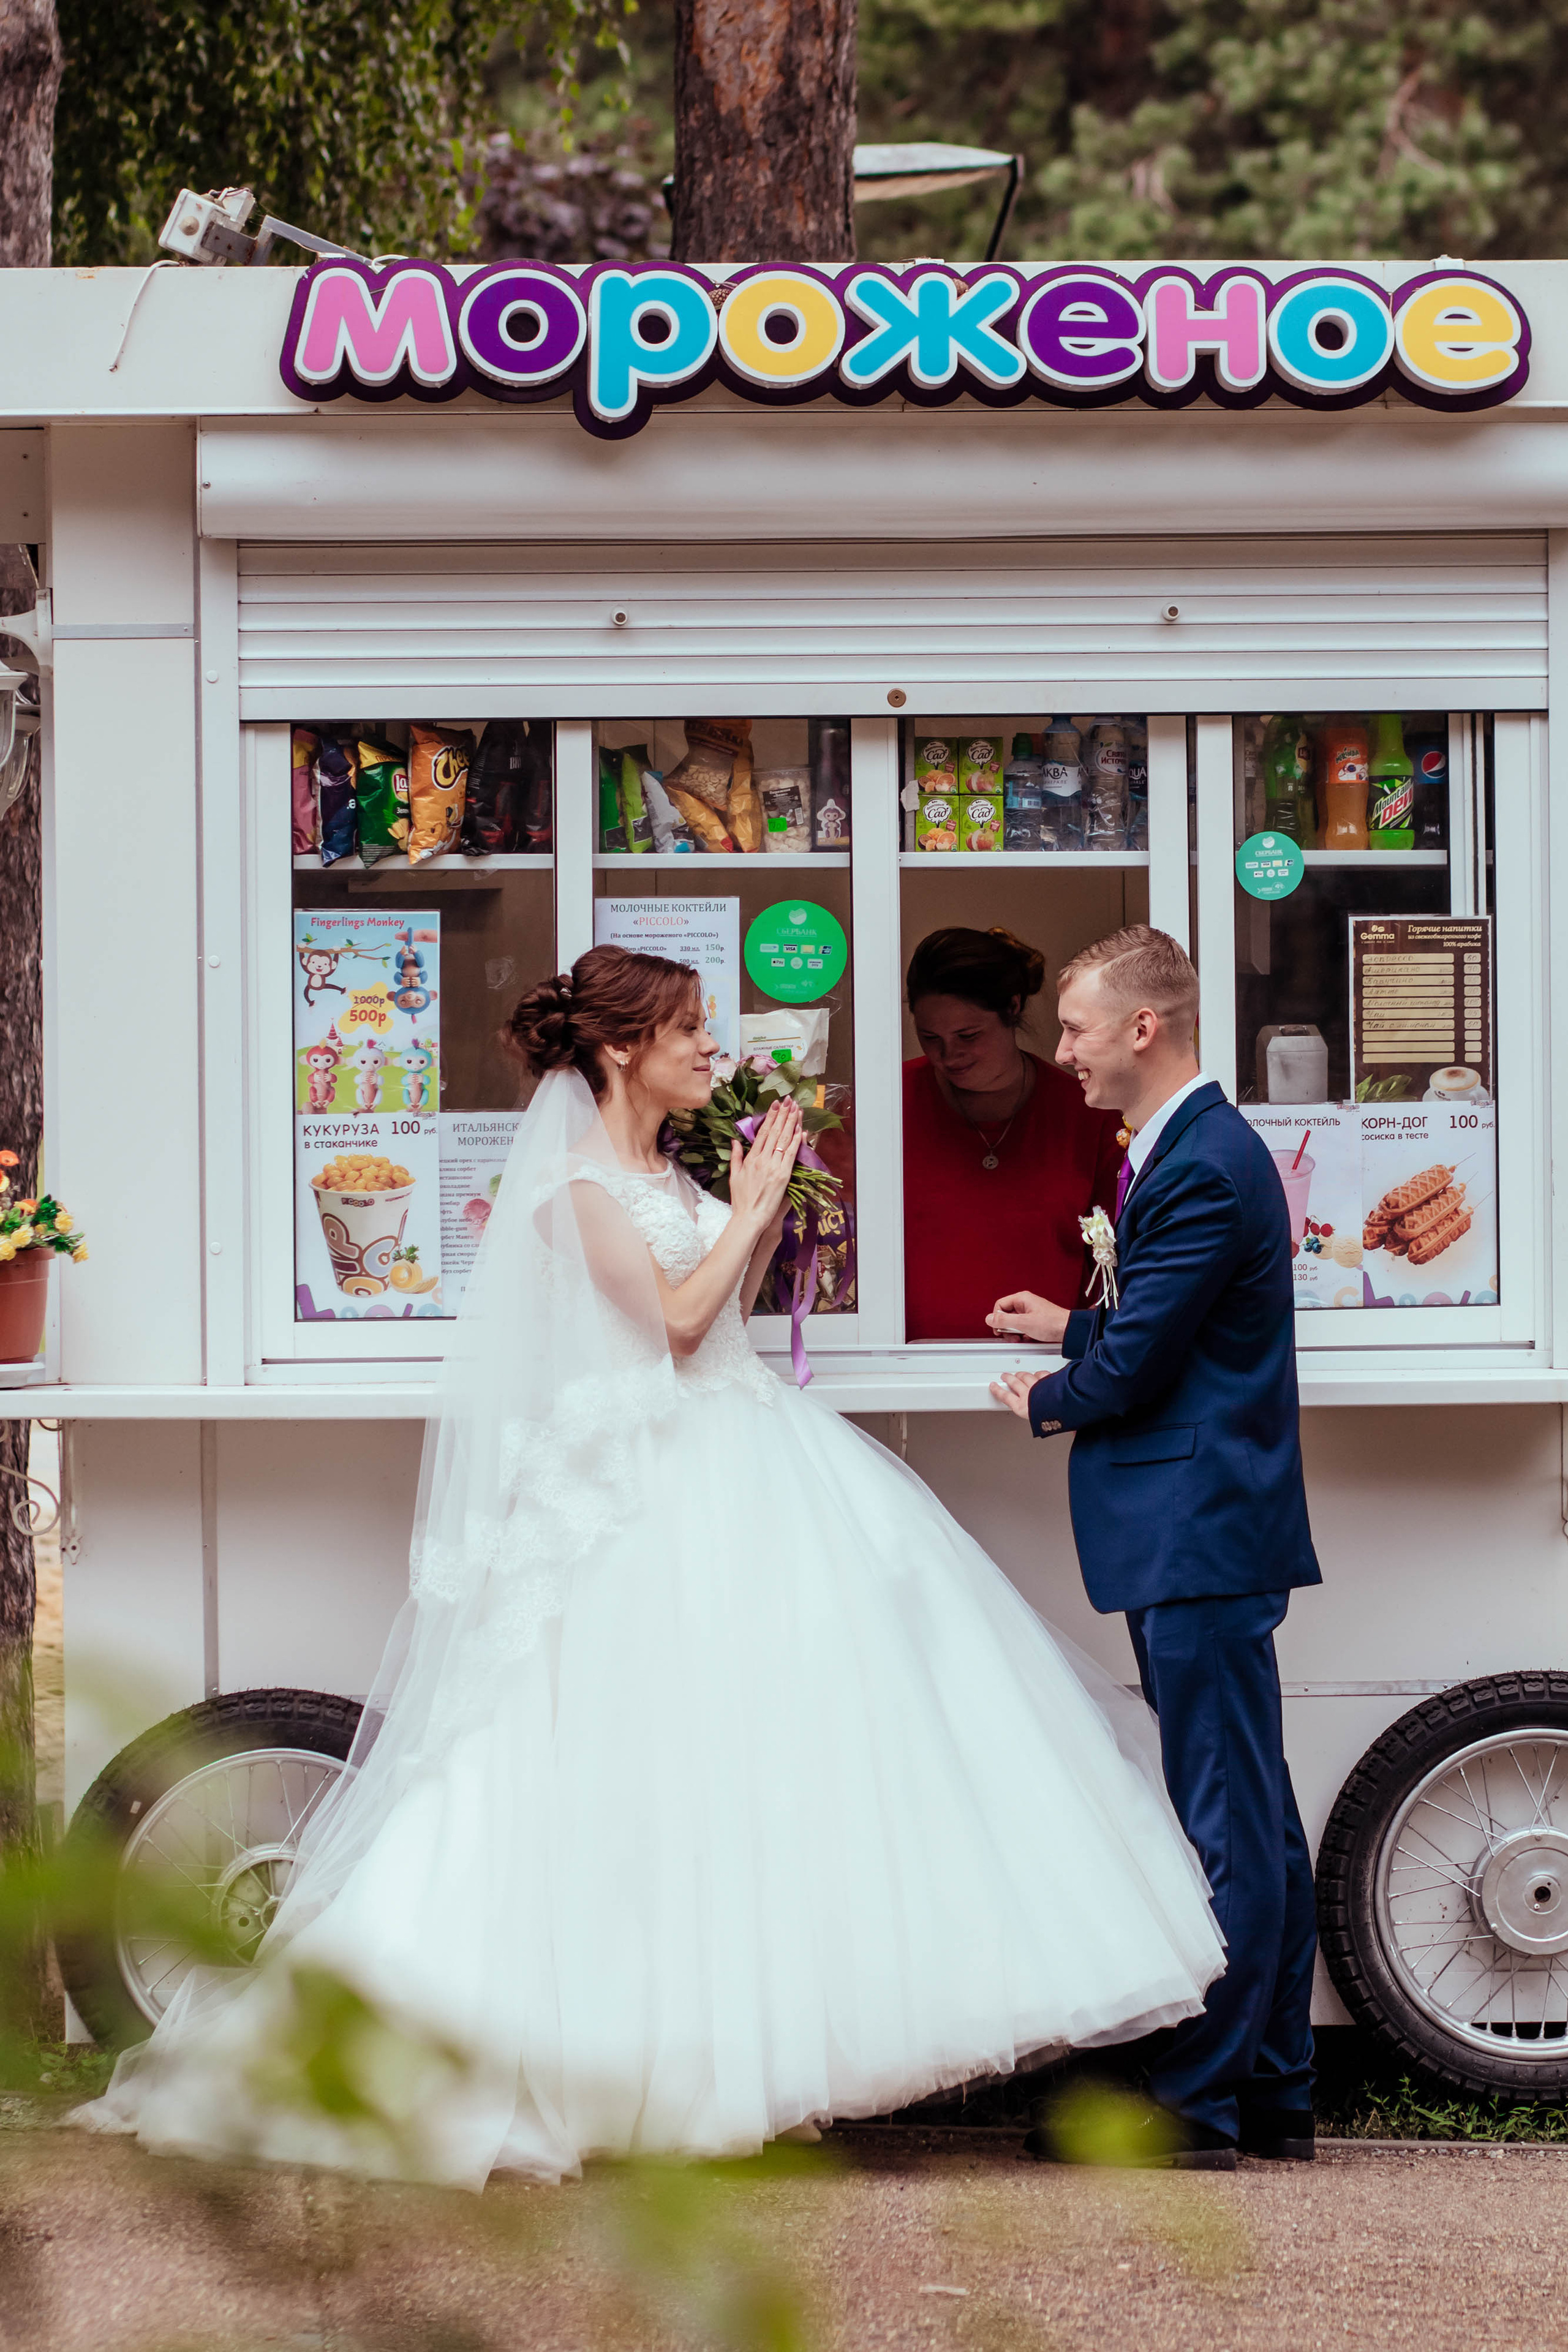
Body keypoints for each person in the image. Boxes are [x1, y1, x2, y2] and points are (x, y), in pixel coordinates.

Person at [74, 943, 1223, 2191]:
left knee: (768, 1777)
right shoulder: (570, 1191)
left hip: (745, 1465)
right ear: (622, 1050)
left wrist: (763, 1205)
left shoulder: (664, 1172)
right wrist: (751, 1204)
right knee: (634, 1784)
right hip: (647, 1495)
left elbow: (715, 1302)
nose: (708, 1053)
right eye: (687, 1032)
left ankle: (763, 2057)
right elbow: (673, 1328)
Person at [990, 924, 1321, 2173]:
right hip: (1204, 1524)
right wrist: (1075, 1322)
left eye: (1073, 1027)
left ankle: (1192, 2108)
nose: (1058, 1050)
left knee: (1225, 1823)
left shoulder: (1200, 1162)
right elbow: (1170, 1327)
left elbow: (1141, 1371)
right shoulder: (1182, 1150)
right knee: (1259, 1821)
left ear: (1143, 1028)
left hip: (1197, 1527)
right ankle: (1276, 2088)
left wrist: (1048, 1391)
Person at [903, 927, 1125, 1341]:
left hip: (1049, 1369)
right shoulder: (887, 1105)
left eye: (969, 1036)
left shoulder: (1090, 1115)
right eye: (930, 1038)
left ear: (1013, 1007)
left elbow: (1115, 1265)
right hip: (901, 1364)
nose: (948, 1056)